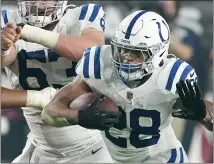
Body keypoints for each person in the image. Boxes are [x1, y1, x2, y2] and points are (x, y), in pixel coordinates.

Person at [42, 10, 213, 163]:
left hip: (162, 157)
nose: (127, 58)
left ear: (158, 53)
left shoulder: (170, 77)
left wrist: (204, 115)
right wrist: (79, 117)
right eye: (123, 50)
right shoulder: (99, 65)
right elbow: (50, 112)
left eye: (137, 53)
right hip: (112, 157)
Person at [1, 0, 116, 163]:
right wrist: (4, 47)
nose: (39, 3)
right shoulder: (7, 20)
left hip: (92, 148)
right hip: (42, 148)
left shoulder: (81, 16)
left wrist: (31, 33)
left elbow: (92, 50)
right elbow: (6, 57)